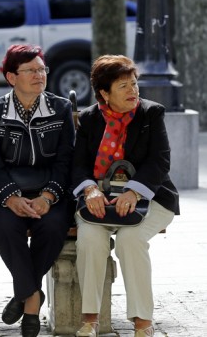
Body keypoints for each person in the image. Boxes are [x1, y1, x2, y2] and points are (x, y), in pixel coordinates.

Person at [72, 55, 179, 337]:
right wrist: (90, 189)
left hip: (151, 197)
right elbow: (79, 164)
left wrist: (134, 191)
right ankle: (89, 320)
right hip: (100, 199)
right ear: (104, 93)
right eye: (123, 86)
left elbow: (160, 161)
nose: (133, 91)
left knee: (131, 240)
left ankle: (143, 322)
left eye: (133, 84)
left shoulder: (151, 114)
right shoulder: (89, 119)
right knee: (90, 239)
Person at [0, 44, 75, 337]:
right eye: (30, 70)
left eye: (42, 69)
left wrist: (48, 196)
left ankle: (25, 297)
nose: (39, 75)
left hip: (51, 192)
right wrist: (11, 197)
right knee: (6, 228)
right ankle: (32, 296)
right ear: (11, 77)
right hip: (8, 193)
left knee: (53, 226)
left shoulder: (60, 108)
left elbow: (67, 159)